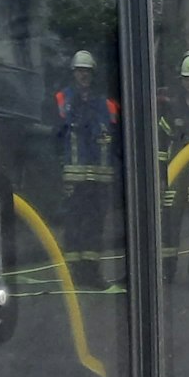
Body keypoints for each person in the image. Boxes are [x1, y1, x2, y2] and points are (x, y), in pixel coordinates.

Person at [55, 50, 120, 288]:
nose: (84, 75)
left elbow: (115, 138)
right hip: (73, 177)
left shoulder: (105, 104)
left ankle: (92, 273)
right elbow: (56, 135)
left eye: (87, 71)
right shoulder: (63, 100)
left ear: (92, 74)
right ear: (73, 73)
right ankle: (74, 275)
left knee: (95, 227)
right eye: (80, 71)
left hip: (99, 178)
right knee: (73, 225)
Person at [158, 51, 189, 283]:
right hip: (176, 173)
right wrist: (161, 175)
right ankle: (168, 270)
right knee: (171, 221)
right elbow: (161, 141)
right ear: (181, 80)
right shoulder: (172, 107)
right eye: (186, 79)